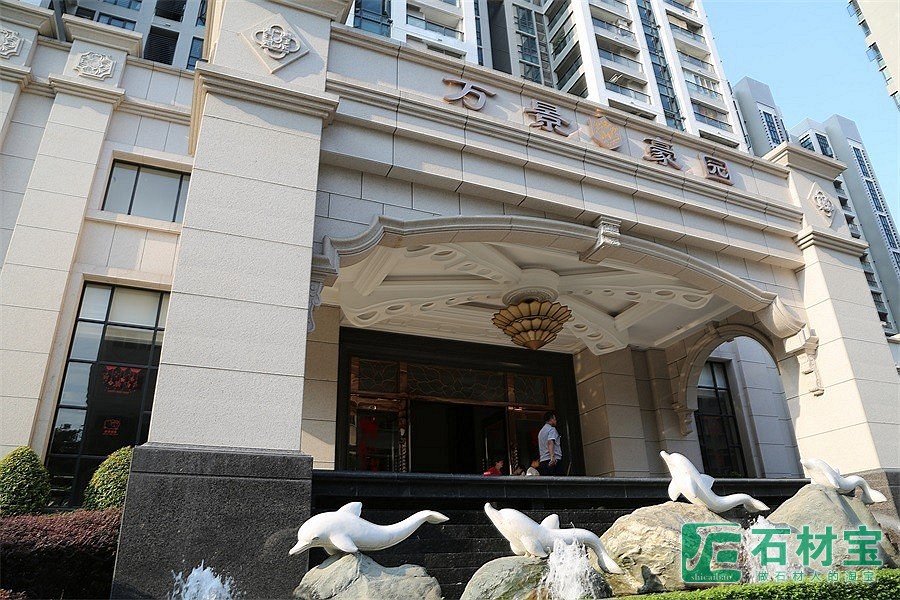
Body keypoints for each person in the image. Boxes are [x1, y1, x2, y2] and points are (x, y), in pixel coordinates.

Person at [538, 411, 563, 475]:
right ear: (551, 419)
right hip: (553, 461)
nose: (555, 421)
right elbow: (550, 442)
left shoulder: (541, 432)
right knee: (557, 479)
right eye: (555, 419)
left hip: (543, 460)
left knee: (547, 480)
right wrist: (552, 457)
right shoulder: (552, 429)